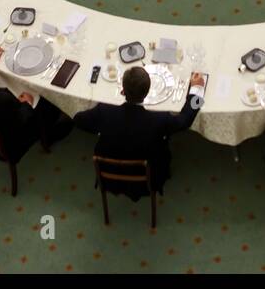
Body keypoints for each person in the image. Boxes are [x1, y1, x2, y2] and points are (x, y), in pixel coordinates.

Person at [72, 66, 206, 198]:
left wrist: (101, 130)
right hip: (150, 177)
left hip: (108, 173)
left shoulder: (103, 112)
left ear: (123, 90)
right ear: (147, 92)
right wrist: (196, 90)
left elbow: (78, 119)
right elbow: (185, 120)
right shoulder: (159, 120)